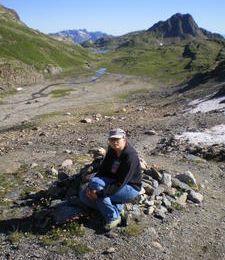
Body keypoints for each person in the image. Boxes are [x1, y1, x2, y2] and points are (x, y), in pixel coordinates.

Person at [79, 128, 142, 231]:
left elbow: (120, 182)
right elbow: (103, 170)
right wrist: (91, 189)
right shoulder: (112, 150)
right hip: (113, 182)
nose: (114, 142)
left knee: (95, 188)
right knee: (83, 195)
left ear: (124, 139)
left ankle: (113, 217)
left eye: (117, 139)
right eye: (112, 139)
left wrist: (99, 194)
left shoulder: (130, 156)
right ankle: (118, 208)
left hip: (130, 188)